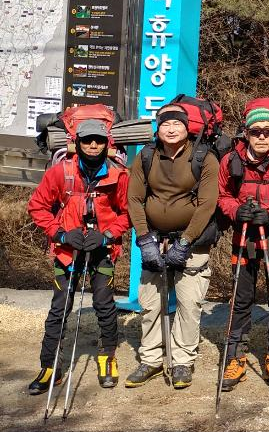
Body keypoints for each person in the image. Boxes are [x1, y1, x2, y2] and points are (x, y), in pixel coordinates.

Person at [26, 118, 130, 393]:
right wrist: (59, 234)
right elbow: (37, 207)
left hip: (103, 249)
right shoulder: (60, 173)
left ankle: (107, 358)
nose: (93, 145)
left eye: (99, 140)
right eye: (87, 140)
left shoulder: (119, 175)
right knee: (59, 308)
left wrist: (108, 235)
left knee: (104, 305)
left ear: (107, 143)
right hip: (67, 250)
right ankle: (50, 367)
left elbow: (128, 212)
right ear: (77, 142)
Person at [126, 103, 220, 390]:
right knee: (150, 303)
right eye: (165, 124)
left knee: (189, 304)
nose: (170, 129)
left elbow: (207, 205)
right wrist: (144, 238)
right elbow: (134, 199)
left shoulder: (204, 158)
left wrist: (186, 241)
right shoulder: (146, 156)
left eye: (176, 123)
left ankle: (182, 361)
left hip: (192, 241)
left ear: (186, 127)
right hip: (154, 239)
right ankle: (151, 359)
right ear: (158, 128)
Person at [217, 106, 269, 392]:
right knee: (241, 299)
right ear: (247, 133)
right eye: (256, 132)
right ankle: (235, 357)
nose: (262, 137)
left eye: (268, 131)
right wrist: (236, 211)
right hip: (243, 238)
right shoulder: (231, 161)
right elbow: (223, 195)